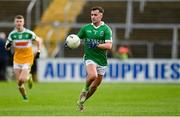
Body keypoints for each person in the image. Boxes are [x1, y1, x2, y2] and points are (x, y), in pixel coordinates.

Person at [76, 6, 113, 111]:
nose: (93, 17)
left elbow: (109, 46)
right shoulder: (86, 28)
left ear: (101, 15)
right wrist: (70, 41)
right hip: (89, 57)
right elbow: (77, 39)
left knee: (94, 87)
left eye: (95, 15)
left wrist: (96, 45)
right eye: (92, 15)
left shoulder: (106, 29)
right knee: (92, 75)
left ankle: (81, 101)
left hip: (101, 60)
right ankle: (85, 88)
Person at [5, 15, 41, 101]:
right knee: (19, 83)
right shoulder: (12, 34)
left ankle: (28, 77)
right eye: (17, 21)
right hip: (17, 59)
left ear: (23, 23)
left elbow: (38, 40)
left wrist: (38, 51)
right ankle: (25, 97)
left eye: (20, 21)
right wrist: (8, 46)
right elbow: (7, 47)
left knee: (22, 79)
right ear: (15, 23)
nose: (19, 23)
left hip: (27, 58)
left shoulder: (29, 33)